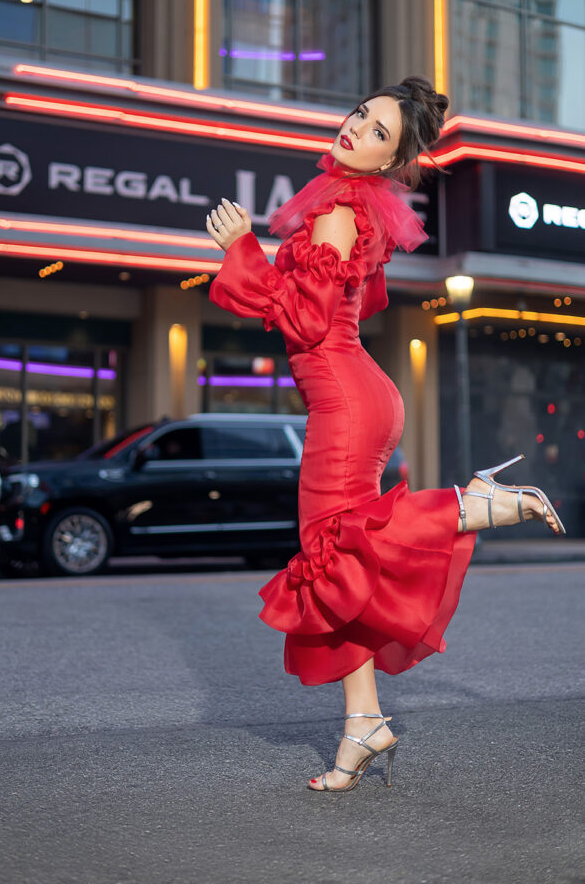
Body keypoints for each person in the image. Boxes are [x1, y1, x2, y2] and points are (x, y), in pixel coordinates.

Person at [205, 75, 565, 794]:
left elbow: (305, 322)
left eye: (377, 133)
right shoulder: (348, 206)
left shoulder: (339, 208)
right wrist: (261, 262)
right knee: (341, 572)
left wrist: (244, 249)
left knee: (337, 549)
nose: (356, 129)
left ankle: (478, 504)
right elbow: (331, 303)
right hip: (354, 392)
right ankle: (363, 725)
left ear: (391, 162)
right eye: (360, 116)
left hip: (342, 400)